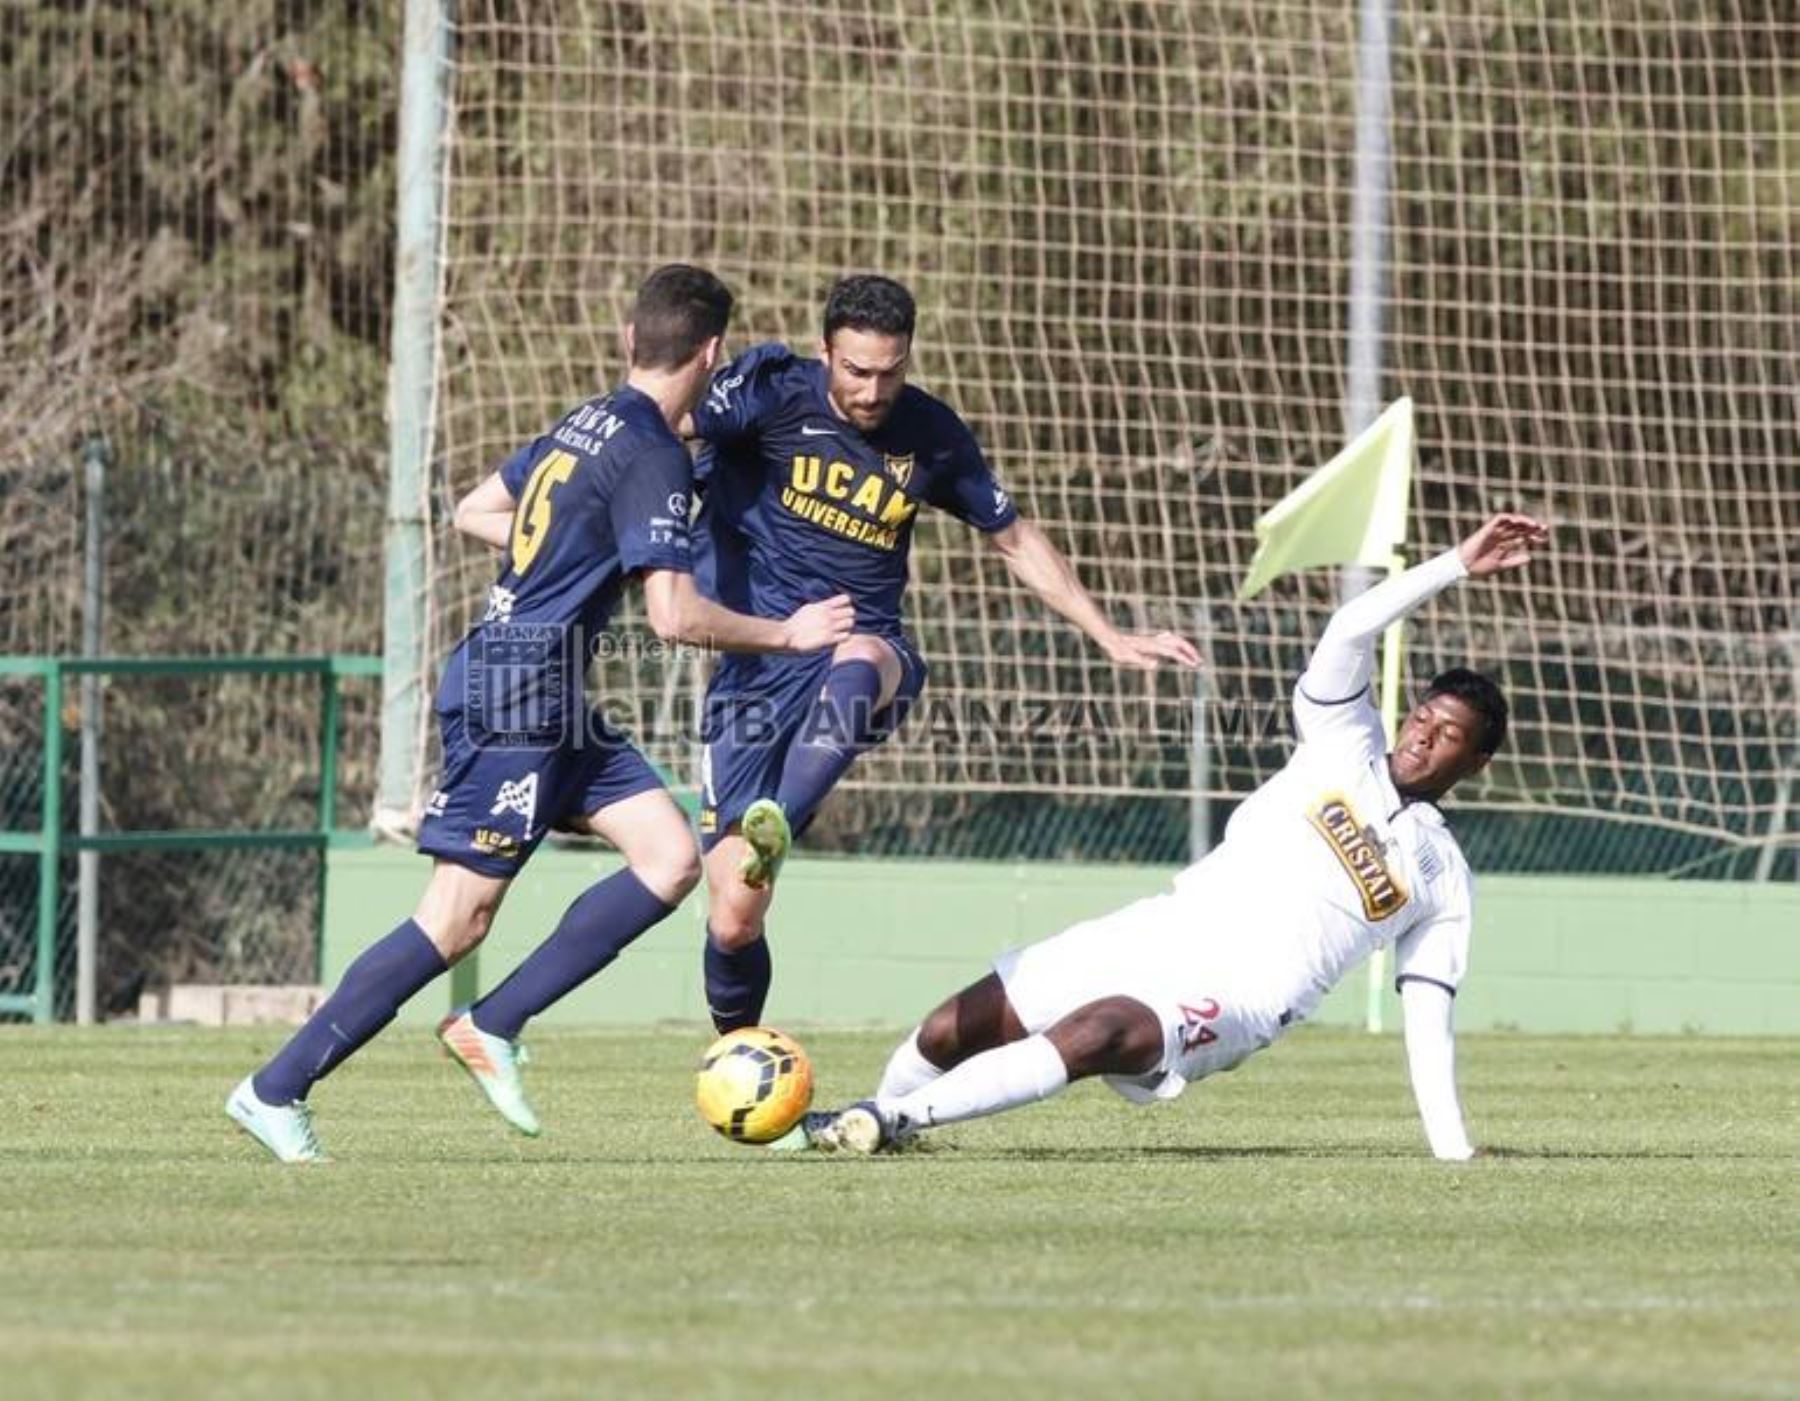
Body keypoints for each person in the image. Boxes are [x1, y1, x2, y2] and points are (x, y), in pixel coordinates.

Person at [226, 265, 854, 1162]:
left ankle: (496, 1021)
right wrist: (788, 636)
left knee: (671, 857)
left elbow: (476, 509)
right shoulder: (653, 453)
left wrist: (572, 550)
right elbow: (674, 619)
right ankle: (274, 1088)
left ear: (630, 338)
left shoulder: (587, 421)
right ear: (712, 352)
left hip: (546, 690)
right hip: (515, 692)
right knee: (455, 918)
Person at [793, 513, 1550, 1159]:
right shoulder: (1342, 737)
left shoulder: (1444, 876)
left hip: (1240, 995)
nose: (1423, 737)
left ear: (1476, 762)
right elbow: (1350, 626)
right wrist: (1455, 563)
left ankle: (890, 1121)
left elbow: (1427, 1014)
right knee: (951, 1027)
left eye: (1448, 734)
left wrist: (1453, 1150)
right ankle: (869, 1118)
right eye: (1422, 716)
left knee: (1100, 1032)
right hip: (1164, 927)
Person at [686, 274, 1200, 1033]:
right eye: (856, 370)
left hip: (861, 651)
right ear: (826, 350)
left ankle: (781, 816)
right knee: (733, 918)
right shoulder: (767, 395)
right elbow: (665, 426)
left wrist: (1107, 631)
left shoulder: (930, 432)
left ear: (907, 358)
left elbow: (1014, 538)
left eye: (889, 372)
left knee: (863, 651)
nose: (871, 389)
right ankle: (739, 1054)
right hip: (757, 664)